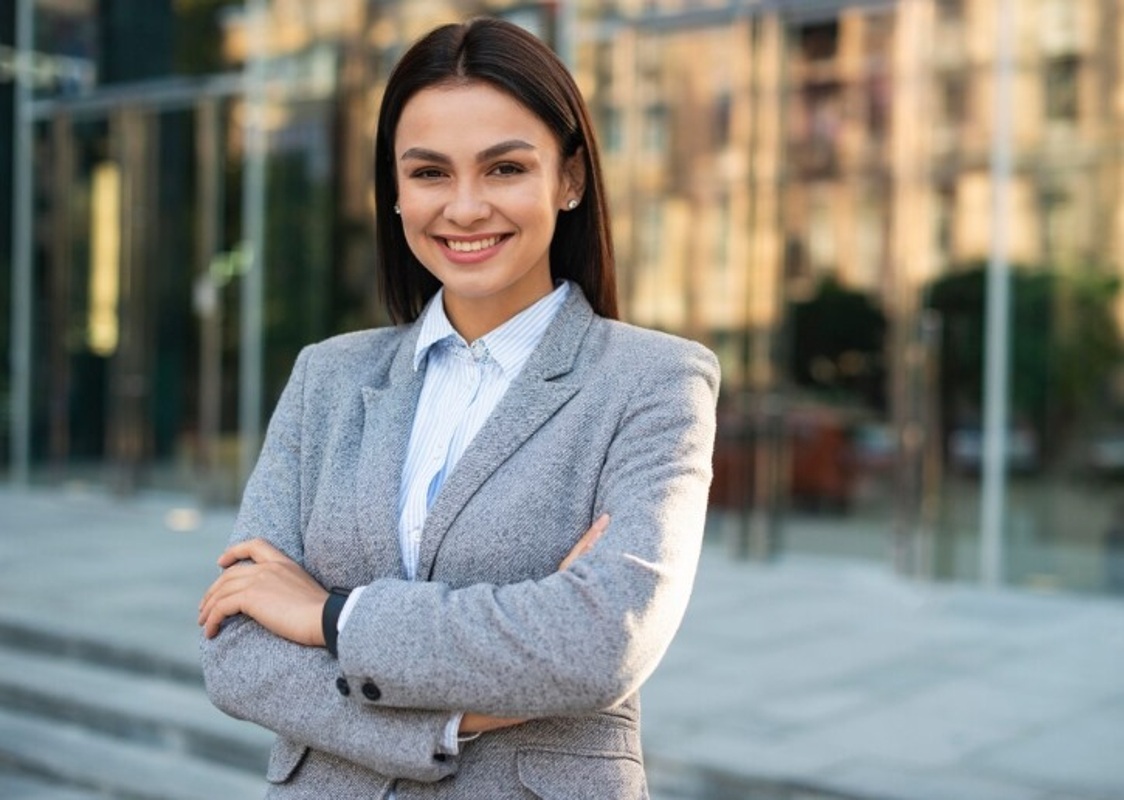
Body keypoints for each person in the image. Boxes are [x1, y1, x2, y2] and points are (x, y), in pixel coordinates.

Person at [198, 16, 719, 799]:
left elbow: (600, 641)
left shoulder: (654, 381)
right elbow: (237, 653)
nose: (466, 208)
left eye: (505, 168)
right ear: (397, 192)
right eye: (430, 173)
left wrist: (330, 618)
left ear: (569, 179)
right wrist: (458, 718)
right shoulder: (327, 379)